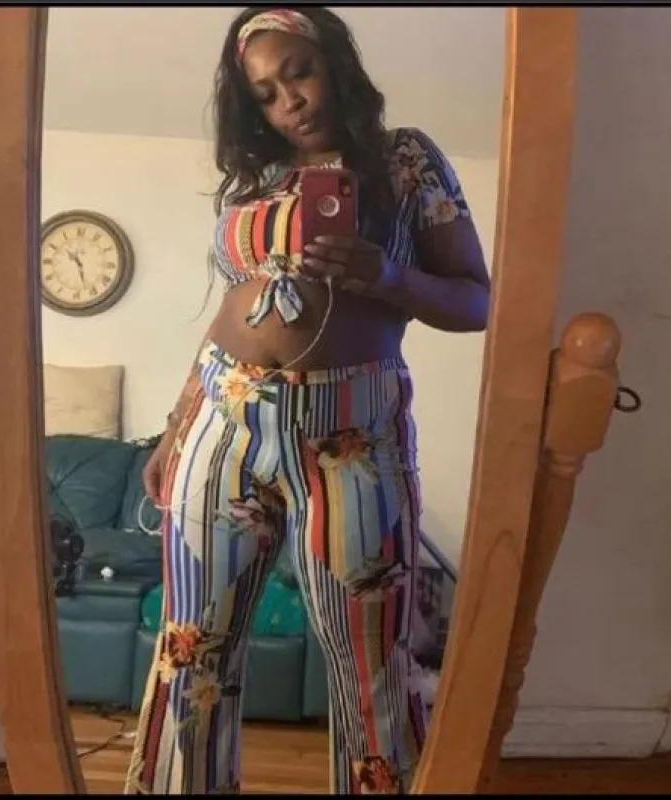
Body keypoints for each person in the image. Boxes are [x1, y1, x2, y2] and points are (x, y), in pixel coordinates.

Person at [125, 6, 490, 795]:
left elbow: (476, 301)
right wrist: (175, 426)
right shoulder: (253, 180)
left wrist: (387, 276)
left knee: (370, 656)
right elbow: (231, 313)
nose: (287, 100)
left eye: (298, 72)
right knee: (191, 648)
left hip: (351, 428)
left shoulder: (403, 160)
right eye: (264, 93)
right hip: (223, 415)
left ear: (334, 64)